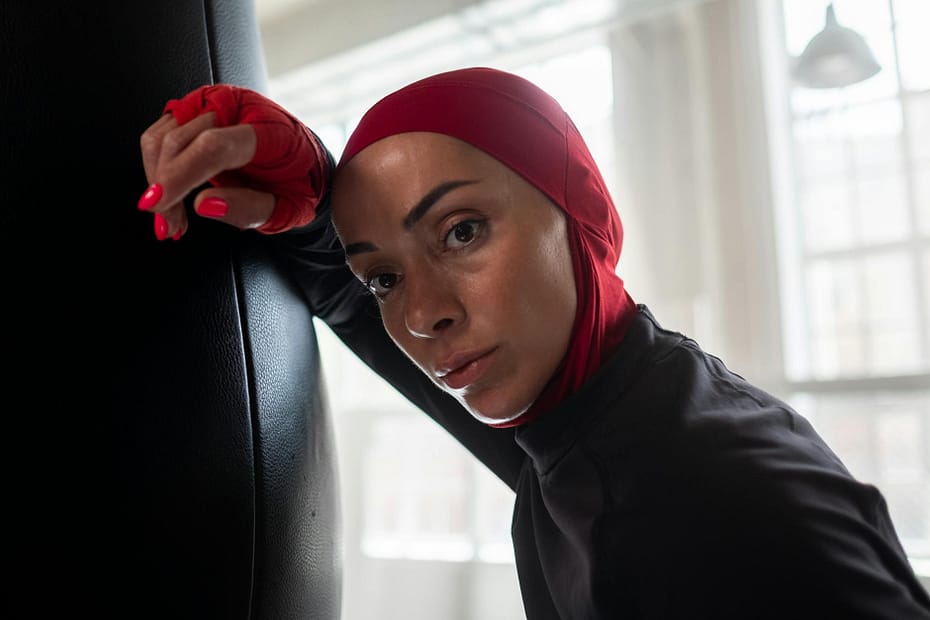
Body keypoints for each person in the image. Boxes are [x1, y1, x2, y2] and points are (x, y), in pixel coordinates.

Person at [136, 67, 930, 619]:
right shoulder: (601, 412)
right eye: (385, 277)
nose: (422, 316)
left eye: (463, 231)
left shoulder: (695, 497)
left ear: (579, 202)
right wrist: (310, 205)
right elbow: (351, 302)